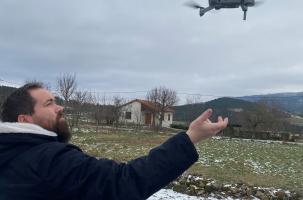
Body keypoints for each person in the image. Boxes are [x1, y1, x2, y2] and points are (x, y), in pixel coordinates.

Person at [0, 82, 228, 200]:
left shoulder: (9, 154)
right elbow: (123, 182)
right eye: (49, 104)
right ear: (24, 118)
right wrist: (192, 137)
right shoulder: (49, 159)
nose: (60, 107)